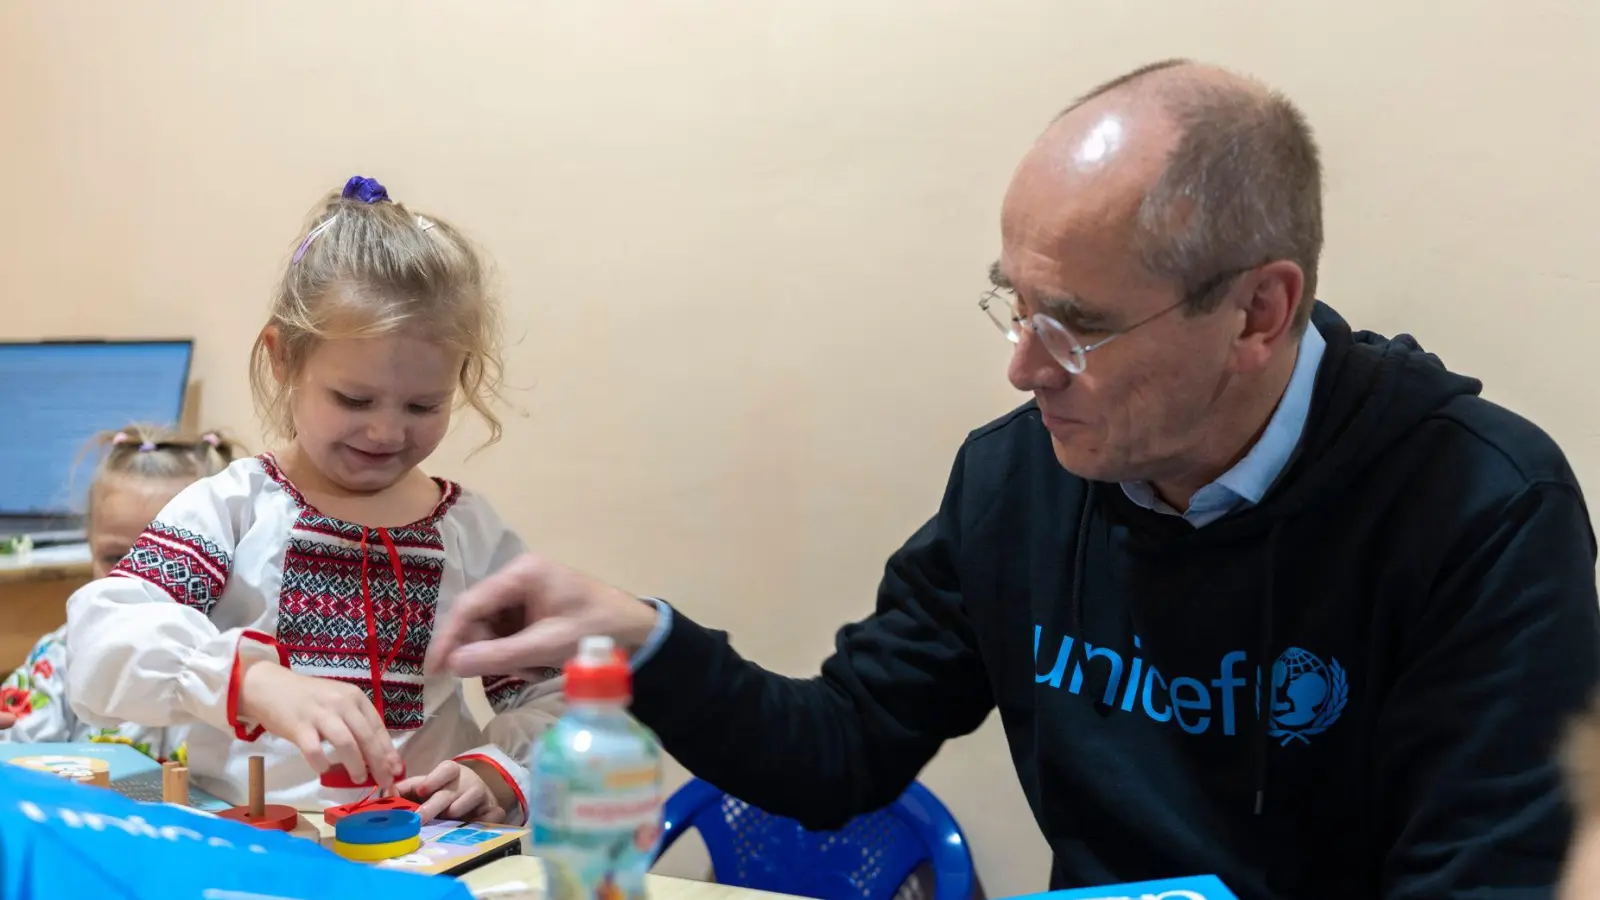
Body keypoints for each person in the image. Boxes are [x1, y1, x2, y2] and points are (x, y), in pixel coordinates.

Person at [424, 59, 1600, 898]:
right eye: (1015, 303)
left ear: (1257, 311)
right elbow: (840, 751)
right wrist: (646, 639)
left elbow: (1483, 880)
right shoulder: (1021, 477)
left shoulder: (1481, 512)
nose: (1023, 368)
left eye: (1076, 325)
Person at [65, 176, 562, 825]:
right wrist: (250, 681)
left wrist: (495, 773)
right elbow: (101, 639)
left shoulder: (468, 532)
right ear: (283, 361)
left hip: (421, 856)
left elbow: (558, 693)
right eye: (354, 400)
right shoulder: (235, 508)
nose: (386, 431)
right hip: (254, 849)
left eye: (424, 405)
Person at [0, 424, 245, 761]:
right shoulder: (60, 658)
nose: (134, 581)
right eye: (116, 558)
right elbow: (14, 759)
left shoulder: (244, 664)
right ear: (89, 547)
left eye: (168, 562)